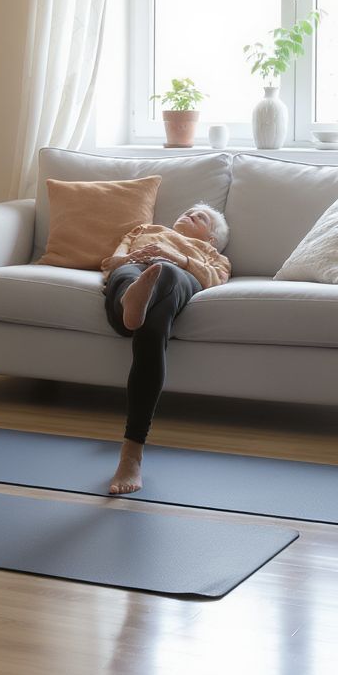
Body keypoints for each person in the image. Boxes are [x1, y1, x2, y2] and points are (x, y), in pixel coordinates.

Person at [100, 204, 230, 495]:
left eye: (201, 217)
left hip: (178, 275)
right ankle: (131, 455)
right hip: (134, 270)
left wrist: (177, 257)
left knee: (166, 274)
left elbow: (215, 278)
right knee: (133, 290)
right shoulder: (145, 230)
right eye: (189, 210)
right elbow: (111, 262)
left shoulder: (211, 253)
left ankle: (133, 305)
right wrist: (130, 257)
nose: (191, 214)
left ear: (210, 238)